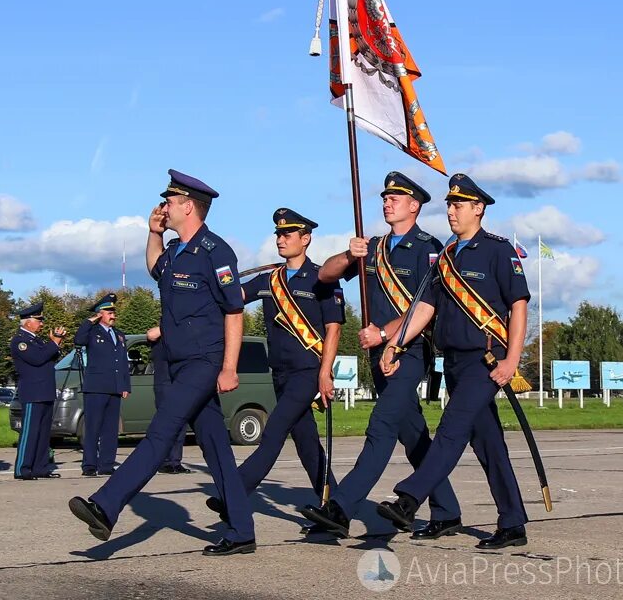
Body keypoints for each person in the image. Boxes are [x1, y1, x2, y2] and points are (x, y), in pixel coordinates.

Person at [70, 169, 256, 556]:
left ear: (189, 206)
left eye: (169, 203)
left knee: (160, 432)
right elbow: (155, 265)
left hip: (204, 361)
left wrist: (229, 367)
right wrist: (153, 232)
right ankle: (241, 530)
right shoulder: (175, 252)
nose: (163, 207)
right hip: (175, 361)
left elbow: (234, 311)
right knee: (215, 445)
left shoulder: (216, 252)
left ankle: (106, 505)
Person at [375, 174, 531, 550]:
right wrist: (395, 344)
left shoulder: (497, 250)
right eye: (448, 204)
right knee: (488, 443)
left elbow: (519, 305)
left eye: (458, 205)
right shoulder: (445, 256)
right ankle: (512, 523)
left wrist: (512, 359)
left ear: (478, 209)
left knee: (450, 428)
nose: (451, 211)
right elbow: (424, 308)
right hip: (454, 363)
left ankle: (408, 500)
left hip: (486, 360)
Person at [304, 172, 461, 538]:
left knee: (381, 426)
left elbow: (428, 306)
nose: (387, 202)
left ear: (414, 205)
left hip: (409, 351)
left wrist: (385, 333)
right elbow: (324, 276)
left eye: (395, 198)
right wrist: (348, 255)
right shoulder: (372, 246)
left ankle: (341, 507)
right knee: (415, 436)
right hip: (376, 355)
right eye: (385, 198)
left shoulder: (429, 247)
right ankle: (447, 511)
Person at [205, 208, 344, 535]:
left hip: (308, 370)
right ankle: (335, 507)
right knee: (307, 443)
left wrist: (326, 373)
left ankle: (234, 493)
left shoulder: (322, 279)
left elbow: (334, 329)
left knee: (273, 432)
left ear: (305, 239)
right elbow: (235, 296)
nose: (280, 239)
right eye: (278, 234)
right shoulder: (270, 279)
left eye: (288, 234)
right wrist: (215, 276)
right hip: (280, 373)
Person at [74, 293, 130, 477]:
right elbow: (78, 340)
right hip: (96, 387)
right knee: (93, 428)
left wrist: (124, 385)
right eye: (108, 312)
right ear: (100, 314)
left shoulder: (119, 335)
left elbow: (122, 362)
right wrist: (90, 321)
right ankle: (89, 465)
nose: (113, 315)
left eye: (113, 312)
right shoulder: (91, 332)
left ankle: (106, 464)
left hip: (114, 388)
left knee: (110, 429)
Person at [11, 301, 65, 480]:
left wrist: (55, 344)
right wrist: (54, 343)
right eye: (38, 320)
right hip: (33, 392)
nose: (41, 323)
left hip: (45, 390)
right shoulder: (20, 341)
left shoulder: (37, 340)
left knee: (43, 433)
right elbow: (38, 358)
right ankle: (23, 468)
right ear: (28, 322)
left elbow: (51, 356)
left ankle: (40, 467)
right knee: (30, 432)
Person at [148, 327, 189, 475]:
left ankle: (175, 461)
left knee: (180, 424)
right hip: (163, 384)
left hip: (179, 383)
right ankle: (164, 461)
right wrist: (168, 324)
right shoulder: (159, 334)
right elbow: (150, 335)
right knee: (165, 424)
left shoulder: (180, 336)